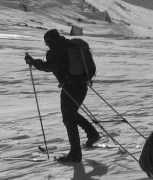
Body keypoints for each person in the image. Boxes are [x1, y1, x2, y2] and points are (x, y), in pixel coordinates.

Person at [25, 29, 100, 162]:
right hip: (81, 85)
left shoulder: (57, 50)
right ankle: (92, 134)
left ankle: (76, 154)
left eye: (46, 42)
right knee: (71, 114)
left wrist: (33, 61)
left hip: (70, 88)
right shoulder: (68, 45)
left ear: (50, 41)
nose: (47, 45)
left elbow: (49, 66)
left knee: (69, 119)